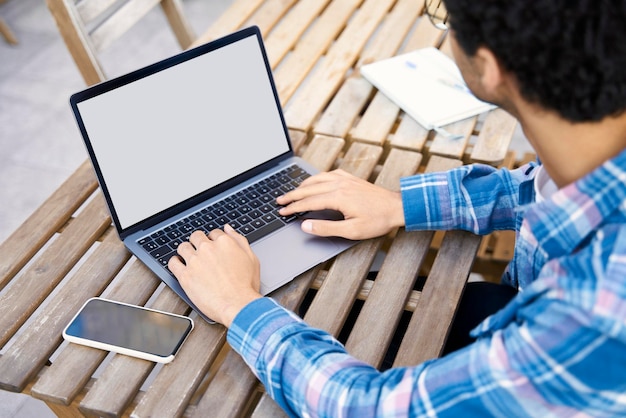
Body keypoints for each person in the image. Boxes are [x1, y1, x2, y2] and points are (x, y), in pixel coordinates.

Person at [169, 0, 626, 415]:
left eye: (447, 19)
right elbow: (538, 191)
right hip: (521, 309)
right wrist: (399, 204)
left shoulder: (596, 309)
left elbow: (365, 408)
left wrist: (239, 304)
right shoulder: (595, 148)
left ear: (489, 66)